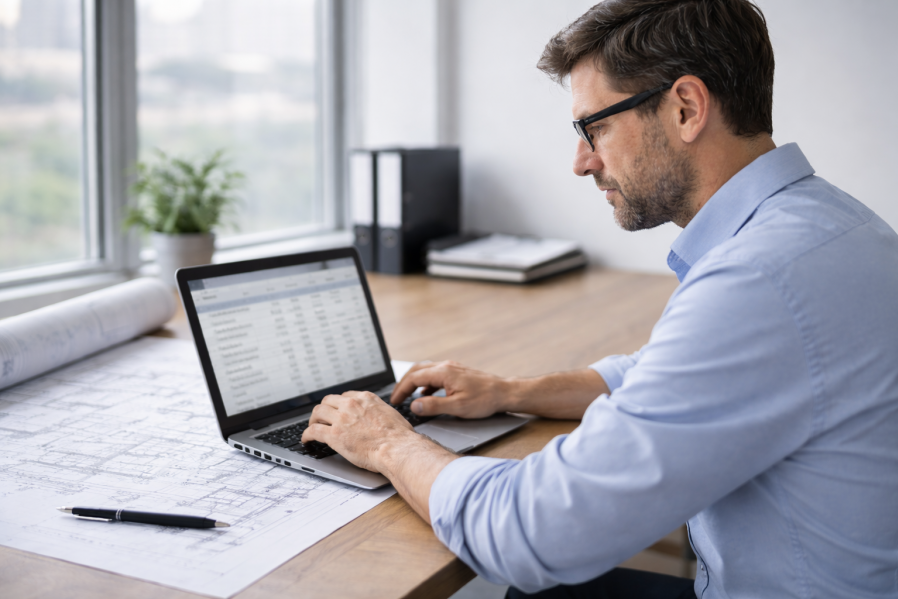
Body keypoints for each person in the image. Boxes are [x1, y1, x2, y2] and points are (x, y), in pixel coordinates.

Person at [302, 0, 898, 597]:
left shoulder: (759, 281)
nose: (582, 162)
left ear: (686, 108)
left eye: (596, 126)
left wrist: (388, 443)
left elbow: (534, 533)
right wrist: (515, 393)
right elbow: (668, 372)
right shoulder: (832, 226)